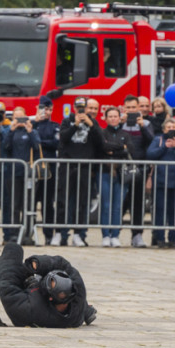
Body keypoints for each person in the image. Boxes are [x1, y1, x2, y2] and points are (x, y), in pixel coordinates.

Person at [0, 242, 96, 328]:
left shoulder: (30, 309)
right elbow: (64, 265)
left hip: (29, 302)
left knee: (13, 249)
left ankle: (85, 310)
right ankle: (85, 310)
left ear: (49, 298)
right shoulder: (78, 294)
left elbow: (6, 286)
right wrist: (40, 263)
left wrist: (12, 250)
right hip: (74, 315)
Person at [55, 96, 103, 247]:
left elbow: (100, 142)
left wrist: (91, 125)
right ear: (74, 107)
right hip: (68, 166)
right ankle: (60, 233)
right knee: (63, 201)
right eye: (78, 107)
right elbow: (62, 138)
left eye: (83, 107)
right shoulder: (67, 120)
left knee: (82, 203)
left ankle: (78, 234)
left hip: (84, 167)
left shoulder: (92, 122)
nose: (81, 110)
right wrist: (75, 125)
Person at [146, 117, 175, 248]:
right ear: (163, 130)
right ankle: (160, 238)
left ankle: (174, 239)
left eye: (174, 128)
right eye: (169, 128)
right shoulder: (158, 140)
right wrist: (164, 147)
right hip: (161, 181)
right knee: (160, 211)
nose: (171, 131)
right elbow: (150, 154)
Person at [0, 106, 40, 243]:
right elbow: (5, 147)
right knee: (14, 204)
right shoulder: (10, 132)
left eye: (21, 117)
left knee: (29, 205)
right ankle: (14, 233)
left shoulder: (31, 131)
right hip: (13, 173)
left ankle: (27, 233)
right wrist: (11, 130)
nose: (19, 121)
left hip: (28, 173)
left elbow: (36, 147)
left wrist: (30, 131)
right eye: (16, 118)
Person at [120, 95, 154, 248]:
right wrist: (119, 125)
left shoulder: (146, 123)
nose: (132, 111)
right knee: (120, 202)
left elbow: (151, 142)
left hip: (141, 169)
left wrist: (143, 127)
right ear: (124, 109)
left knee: (138, 204)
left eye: (134, 108)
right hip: (122, 170)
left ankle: (137, 235)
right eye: (129, 108)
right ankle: (114, 233)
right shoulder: (119, 123)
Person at [96, 106, 130, 247]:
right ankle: (105, 235)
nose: (113, 119)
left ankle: (115, 235)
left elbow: (128, 149)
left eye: (115, 116)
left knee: (117, 206)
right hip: (104, 172)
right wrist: (119, 148)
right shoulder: (101, 133)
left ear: (119, 117)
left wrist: (113, 150)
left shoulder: (125, 134)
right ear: (105, 118)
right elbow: (102, 148)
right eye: (110, 116)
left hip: (121, 174)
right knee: (106, 205)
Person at [33, 95, 60, 246]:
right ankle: (29, 232)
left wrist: (39, 142)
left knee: (47, 203)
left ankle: (48, 234)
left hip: (49, 170)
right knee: (30, 203)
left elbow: (56, 143)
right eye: (43, 109)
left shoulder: (55, 126)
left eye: (49, 109)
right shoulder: (32, 123)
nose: (46, 112)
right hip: (32, 169)